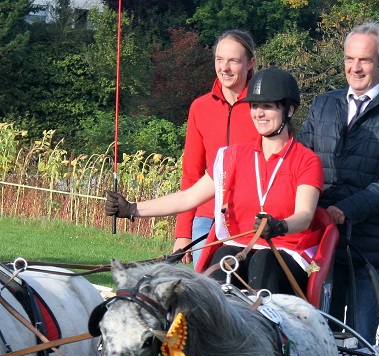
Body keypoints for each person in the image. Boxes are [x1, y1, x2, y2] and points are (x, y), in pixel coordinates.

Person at [107, 67, 329, 297]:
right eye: (254, 106)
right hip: (240, 250)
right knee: (224, 259)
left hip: (288, 252)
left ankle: (270, 330)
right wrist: (132, 209)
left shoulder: (306, 161)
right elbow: (188, 197)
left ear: (289, 110)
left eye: (268, 106)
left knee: (262, 261)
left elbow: (304, 215)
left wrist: (280, 226)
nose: (259, 113)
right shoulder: (233, 157)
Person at [298, 21, 379, 342]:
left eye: (364, 60)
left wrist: (346, 210)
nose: (355, 67)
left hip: (371, 250)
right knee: (314, 340)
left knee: (359, 345)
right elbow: (301, 164)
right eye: (349, 59)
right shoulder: (323, 104)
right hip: (320, 246)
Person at [173, 29, 260, 266]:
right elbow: (191, 173)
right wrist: (183, 233)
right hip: (206, 217)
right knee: (206, 291)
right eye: (219, 59)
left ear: (250, 62)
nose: (225, 68)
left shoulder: (264, 109)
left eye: (233, 60)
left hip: (247, 221)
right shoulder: (200, 108)